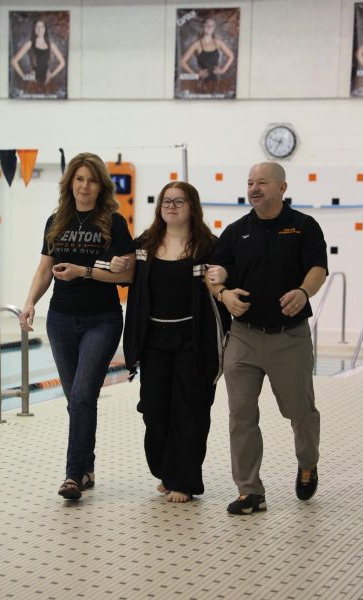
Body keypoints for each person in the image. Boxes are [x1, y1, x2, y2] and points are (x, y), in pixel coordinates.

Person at [206, 162, 328, 515]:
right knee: (241, 414)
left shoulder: (304, 227)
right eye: (250, 182)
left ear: (281, 187)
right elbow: (216, 272)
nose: (254, 188)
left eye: (262, 182)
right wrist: (223, 294)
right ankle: (250, 491)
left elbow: (318, 268)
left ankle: (307, 462)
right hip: (243, 337)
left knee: (299, 412)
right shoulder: (236, 230)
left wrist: (304, 293)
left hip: (289, 337)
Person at [20, 152, 135, 500]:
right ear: (70, 182)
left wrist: (84, 271)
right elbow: (44, 270)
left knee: (84, 394)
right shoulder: (56, 221)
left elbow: (127, 274)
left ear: (101, 186)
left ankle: (72, 476)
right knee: (76, 399)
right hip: (60, 319)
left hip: (101, 318)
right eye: (79, 179)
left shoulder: (113, 224)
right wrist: (29, 302)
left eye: (92, 180)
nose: (85, 186)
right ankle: (86, 467)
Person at [120, 181, 231, 503]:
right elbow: (126, 274)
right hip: (154, 338)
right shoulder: (145, 243)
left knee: (191, 409)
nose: (171, 206)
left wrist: (223, 275)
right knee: (154, 409)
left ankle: (183, 480)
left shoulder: (209, 246)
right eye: (166, 201)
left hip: (193, 339)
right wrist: (116, 266)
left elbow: (228, 276)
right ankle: (166, 470)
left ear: (192, 207)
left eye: (179, 201)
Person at [11, 18, 66, 86]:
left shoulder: (51, 45)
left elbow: (62, 63)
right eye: (37, 27)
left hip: (47, 81)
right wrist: (24, 77)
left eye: (42, 27)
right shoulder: (29, 44)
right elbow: (14, 61)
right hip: (33, 81)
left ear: (45, 29)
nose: (39, 29)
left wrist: (51, 75)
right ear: (34, 29)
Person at [180, 17, 234, 82]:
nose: (209, 27)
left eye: (212, 25)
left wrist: (223, 70)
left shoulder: (218, 42)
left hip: (216, 81)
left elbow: (231, 56)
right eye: (207, 24)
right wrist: (195, 74)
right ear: (203, 26)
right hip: (201, 82)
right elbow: (182, 62)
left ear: (214, 28)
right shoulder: (197, 44)